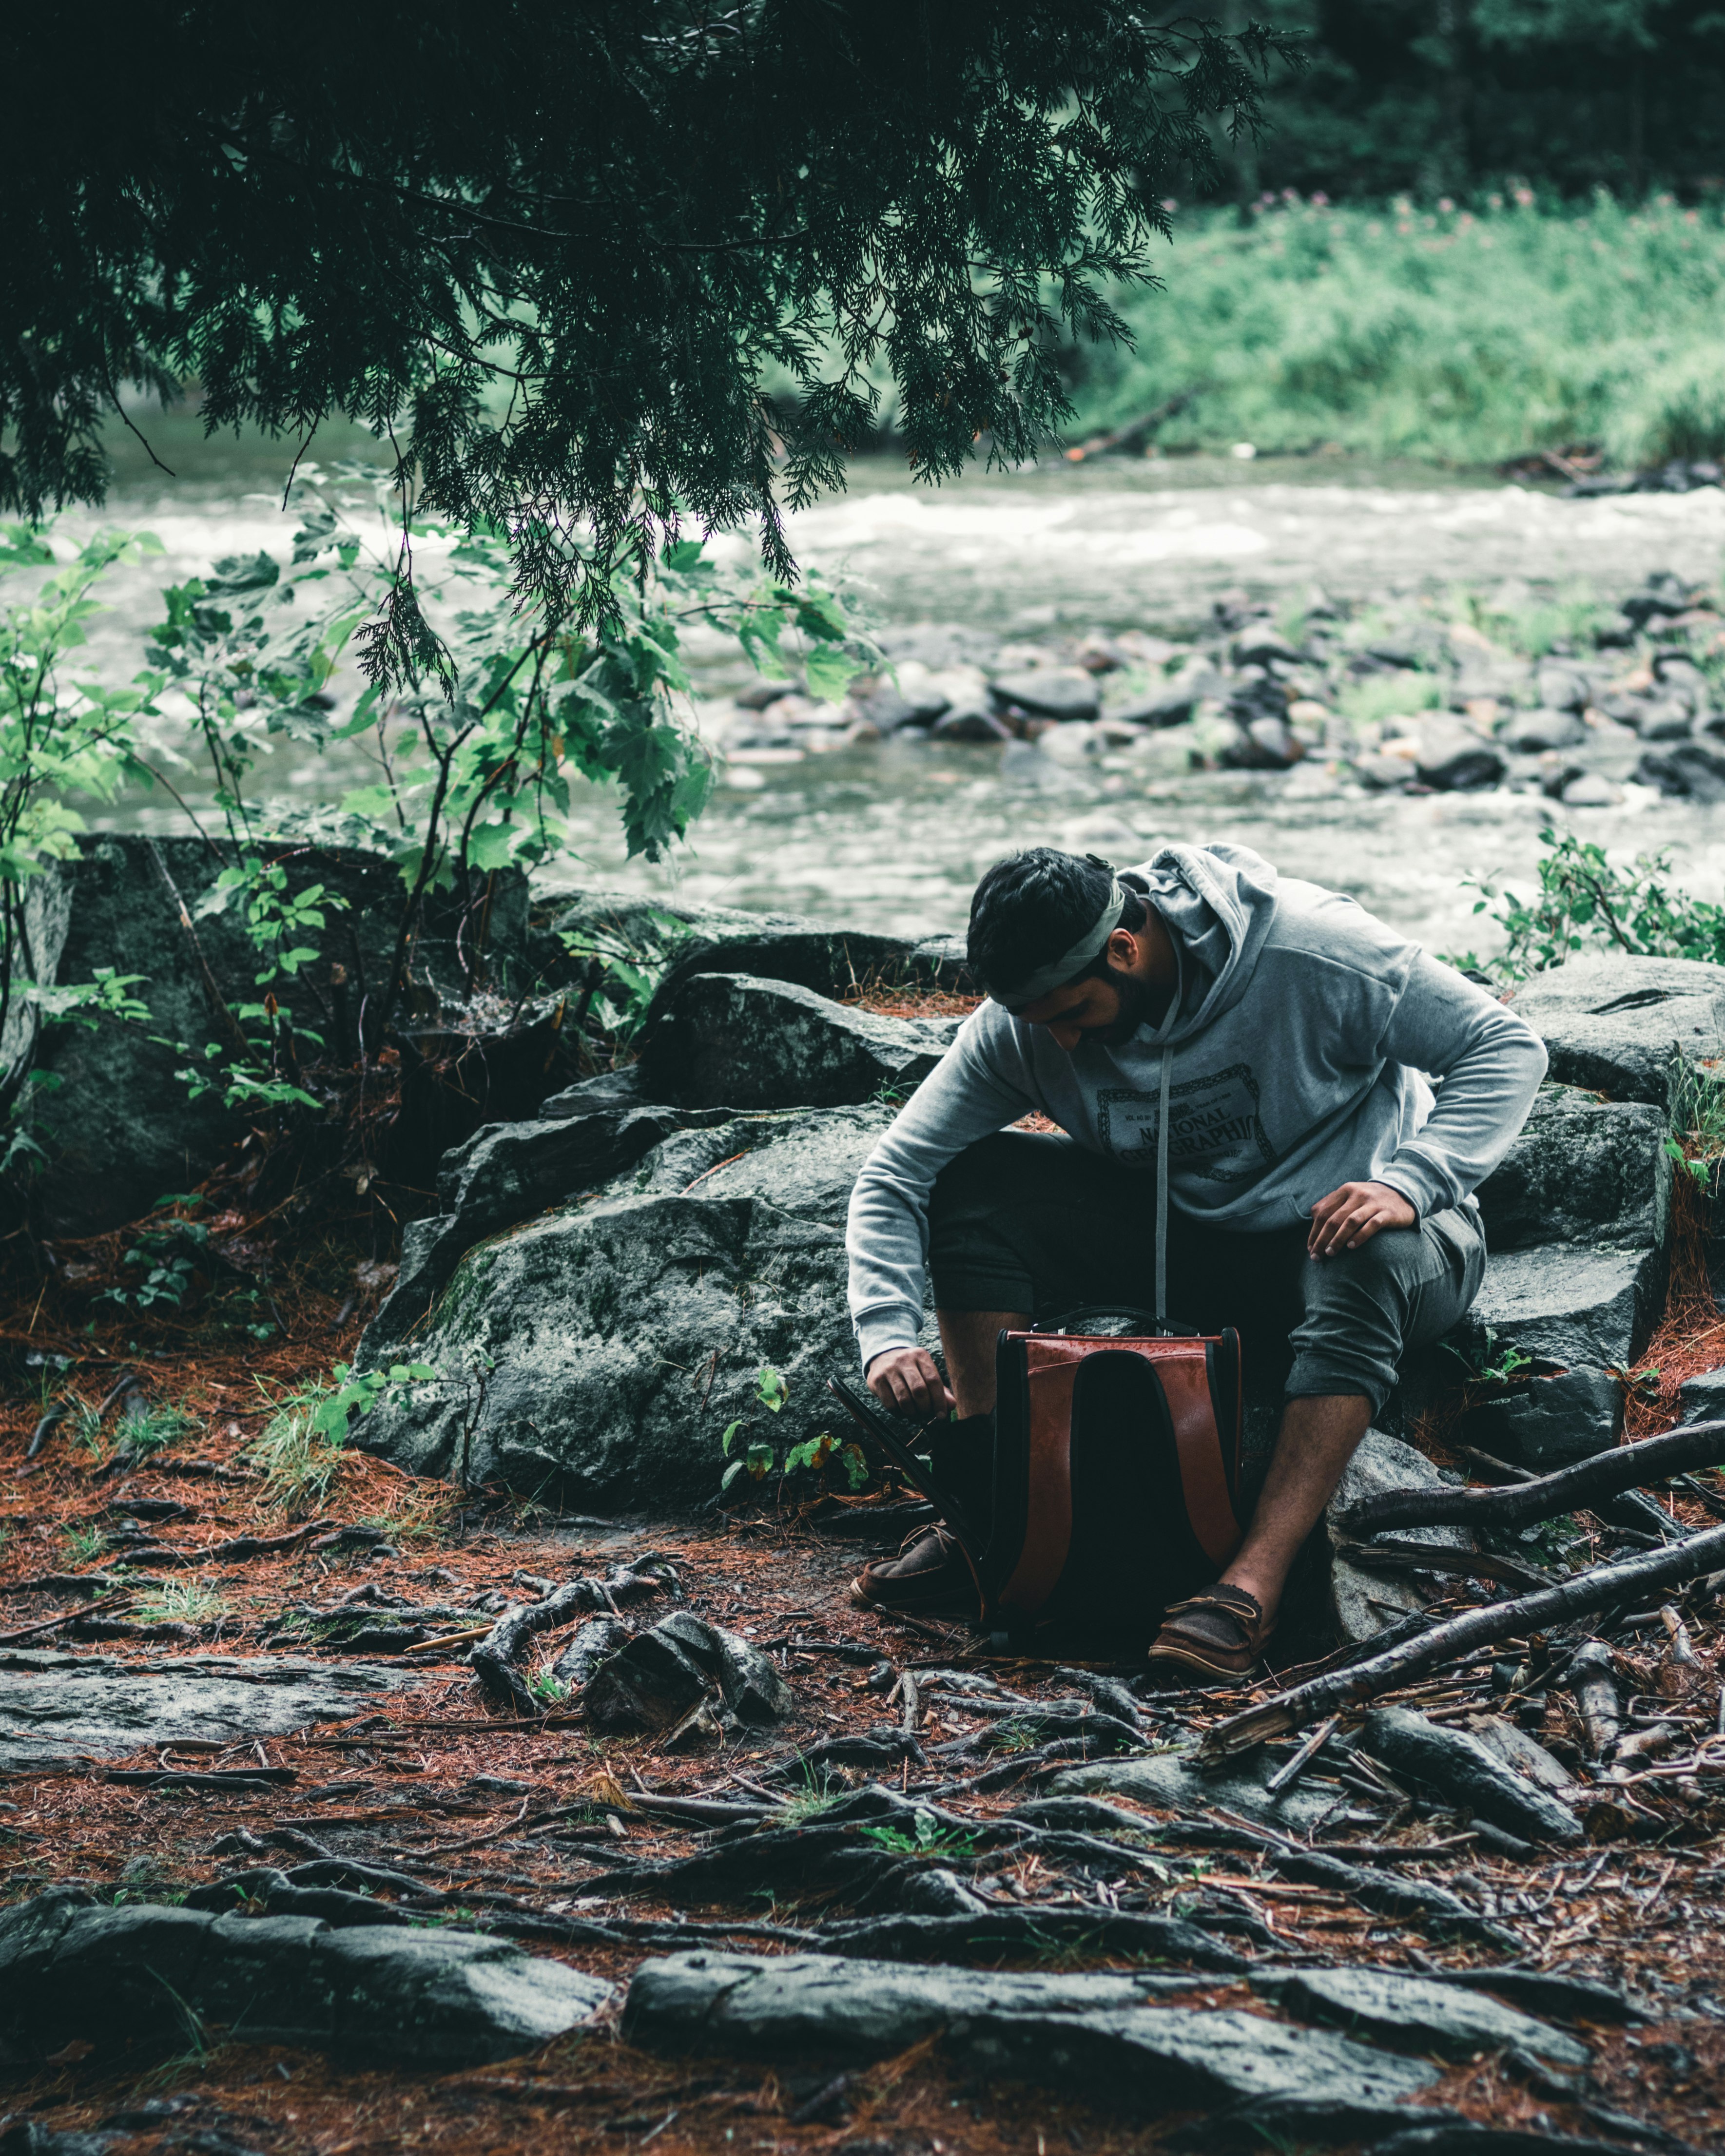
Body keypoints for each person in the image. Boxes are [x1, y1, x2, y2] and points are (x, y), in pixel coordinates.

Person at [844, 843, 1547, 1680]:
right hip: (1195, 1246)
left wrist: (1410, 1182)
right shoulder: (1031, 1024)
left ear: (1124, 949)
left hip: (1378, 1249)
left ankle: (1251, 1586)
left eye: (1071, 1013)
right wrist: (887, 1331)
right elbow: (899, 1172)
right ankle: (999, 1523)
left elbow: (1505, 1047)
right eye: (1037, 1023)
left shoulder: (1312, 951)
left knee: (1368, 1251)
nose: (1060, 1041)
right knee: (979, 1182)